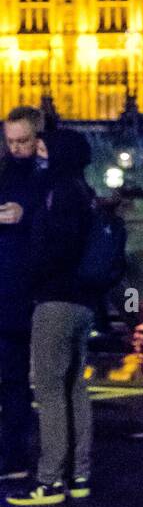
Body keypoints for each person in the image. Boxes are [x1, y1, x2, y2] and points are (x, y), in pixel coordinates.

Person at [7, 128, 97, 507]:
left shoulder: (57, 192)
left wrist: (28, 275)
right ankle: (78, 474)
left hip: (54, 301)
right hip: (83, 302)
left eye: (44, 147)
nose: (39, 153)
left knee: (49, 391)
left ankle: (49, 481)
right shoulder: (84, 193)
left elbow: (52, 250)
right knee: (75, 388)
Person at [0, 107, 46, 482]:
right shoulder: (7, 171)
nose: (16, 148)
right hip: (9, 288)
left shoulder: (47, 175)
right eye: (10, 141)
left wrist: (26, 212)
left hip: (24, 292)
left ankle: (15, 454)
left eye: (22, 141)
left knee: (18, 379)